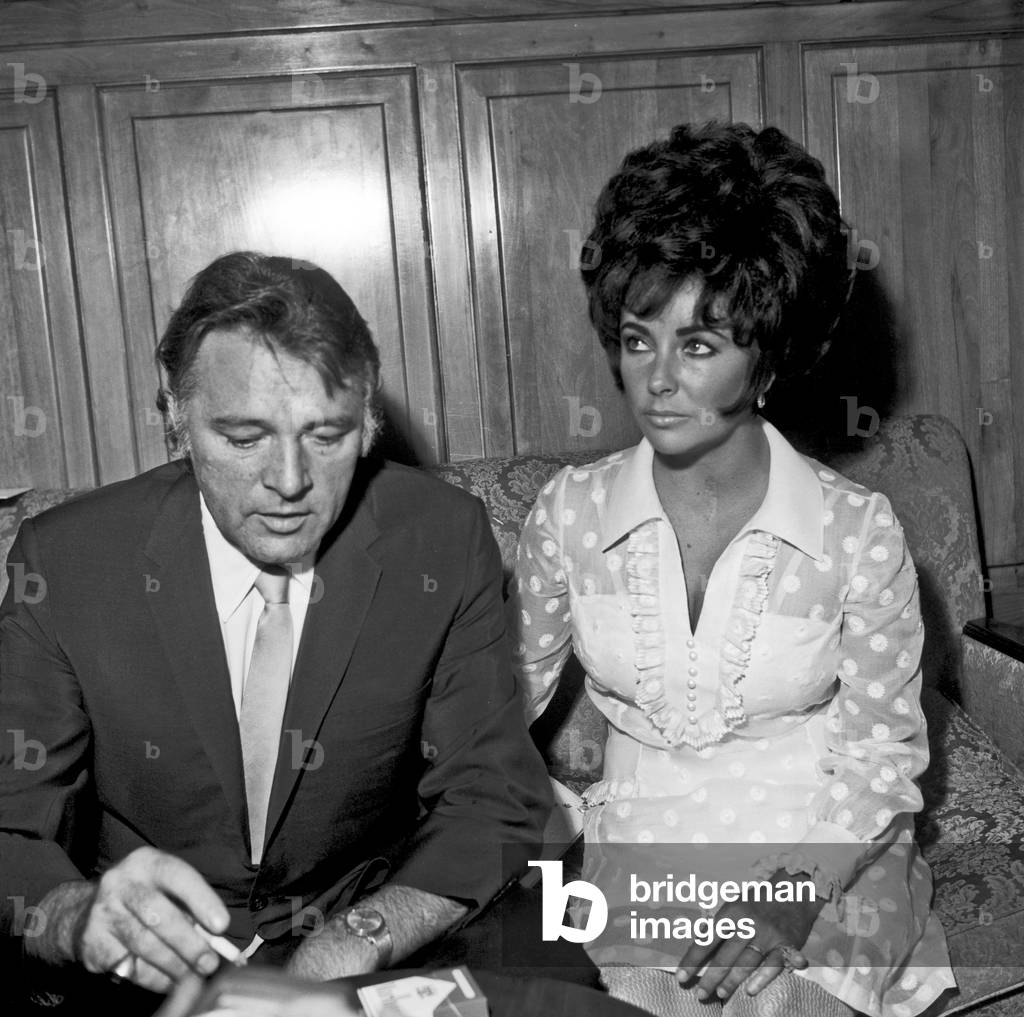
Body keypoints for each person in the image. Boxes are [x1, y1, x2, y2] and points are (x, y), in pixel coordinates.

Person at [0, 252, 550, 1012]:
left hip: (363, 939)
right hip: (139, 972)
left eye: (325, 435)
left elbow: (493, 797)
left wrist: (345, 947)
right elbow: (6, 824)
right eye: (243, 436)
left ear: (369, 424)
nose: (289, 482)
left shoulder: (443, 539)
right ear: (174, 414)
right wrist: (77, 915)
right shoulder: (66, 561)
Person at [509, 123, 955, 1017]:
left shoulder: (858, 530)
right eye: (639, 339)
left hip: (827, 854)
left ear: (770, 355)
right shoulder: (569, 513)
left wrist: (785, 901)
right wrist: (544, 827)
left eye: (700, 343)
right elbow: (487, 710)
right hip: (640, 858)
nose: (658, 379)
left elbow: (878, 761)